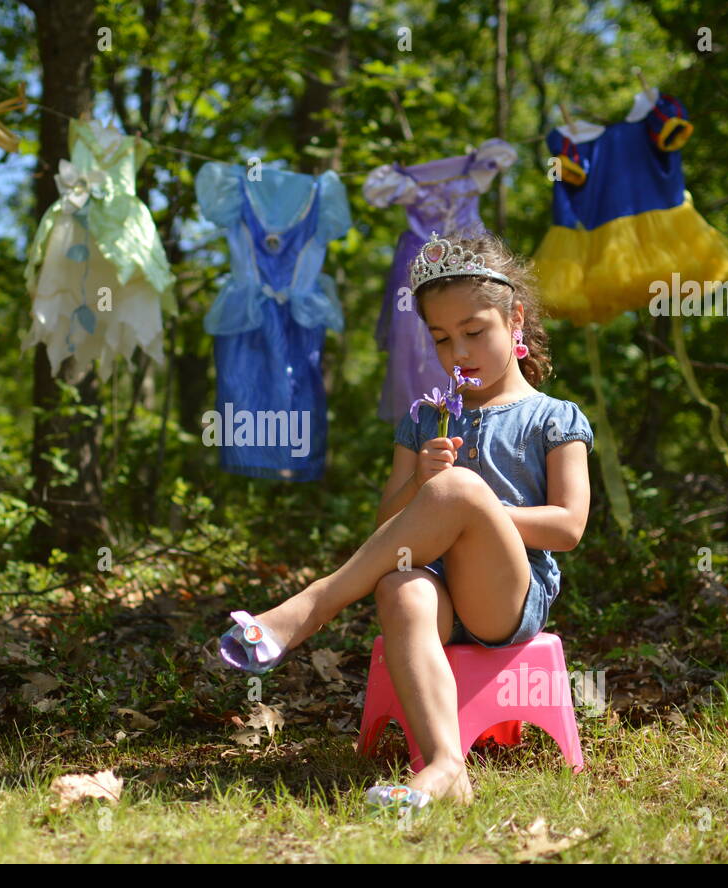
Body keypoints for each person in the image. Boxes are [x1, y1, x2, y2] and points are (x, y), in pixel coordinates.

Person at [217, 230, 595, 813]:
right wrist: (422, 481)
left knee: (463, 489)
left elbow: (569, 527)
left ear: (515, 320)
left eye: (474, 332)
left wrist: (471, 505)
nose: (458, 353)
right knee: (398, 584)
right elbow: (390, 524)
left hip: (506, 598)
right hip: (436, 592)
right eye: (442, 340)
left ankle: (312, 606)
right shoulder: (425, 420)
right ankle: (446, 765)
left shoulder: (553, 417)